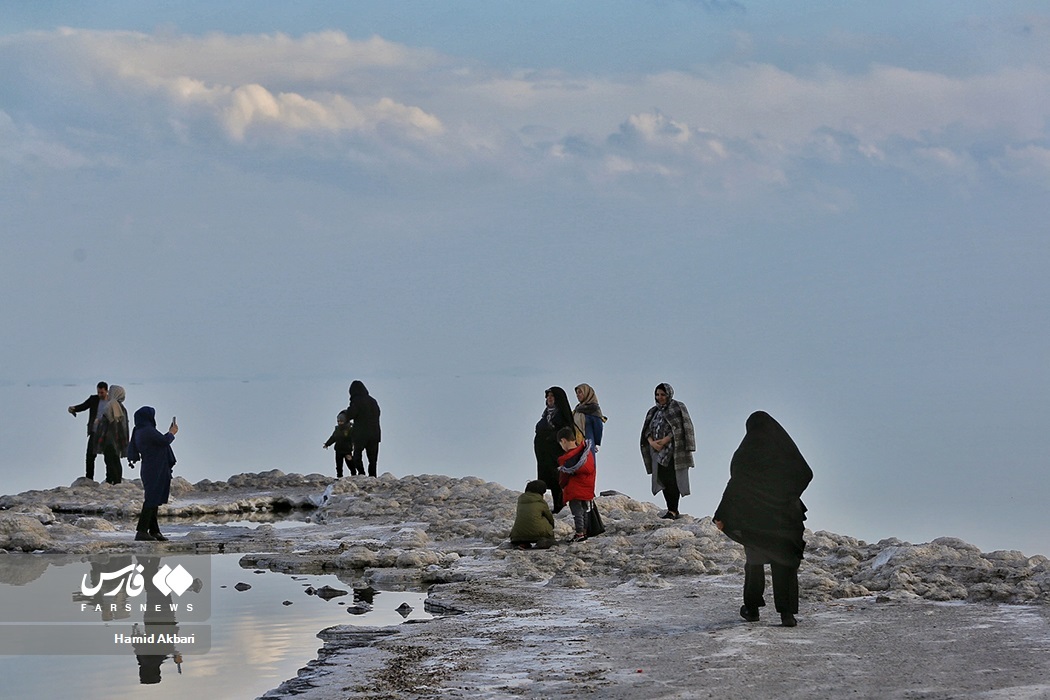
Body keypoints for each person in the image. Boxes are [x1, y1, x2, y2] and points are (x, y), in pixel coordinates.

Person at [713, 411, 813, 628]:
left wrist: (721, 515)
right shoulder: (786, 453)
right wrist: (787, 495)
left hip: (756, 520)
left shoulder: (745, 453)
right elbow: (806, 473)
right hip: (786, 519)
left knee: (754, 563)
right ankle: (787, 614)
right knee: (784, 564)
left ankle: (752, 609)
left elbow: (735, 486)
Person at [640, 383, 697, 520]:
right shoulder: (653, 411)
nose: (660, 398)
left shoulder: (677, 407)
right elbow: (647, 430)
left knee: (672, 479)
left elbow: (681, 427)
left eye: (663, 395)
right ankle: (670, 508)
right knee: (663, 479)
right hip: (656, 451)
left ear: (669, 395)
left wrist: (665, 440)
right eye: (657, 395)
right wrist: (652, 442)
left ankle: (673, 510)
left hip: (673, 450)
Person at [127, 407, 178, 542]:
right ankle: (141, 531)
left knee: (154, 499)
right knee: (151, 500)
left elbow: (159, 441)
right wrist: (172, 432)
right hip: (154, 469)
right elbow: (164, 441)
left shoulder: (139, 431)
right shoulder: (147, 431)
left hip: (151, 468)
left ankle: (154, 531)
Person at [533, 387, 574, 513]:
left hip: (555, 453)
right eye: (548, 396)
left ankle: (559, 505)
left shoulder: (562, 414)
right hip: (543, 453)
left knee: (557, 478)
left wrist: (552, 436)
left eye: (552, 396)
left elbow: (566, 430)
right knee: (546, 479)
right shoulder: (546, 413)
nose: (549, 398)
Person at [556, 426, 596, 543]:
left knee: (577, 512)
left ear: (563, 441)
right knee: (584, 510)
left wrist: (562, 485)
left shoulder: (567, 459)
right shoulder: (586, 452)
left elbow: (564, 477)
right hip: (587, 486)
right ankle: (584, 532)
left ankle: (579, 533)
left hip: (574, 488)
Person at [68, 381, 109, 480]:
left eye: (102, 393)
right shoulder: (93, 399)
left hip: (107, 433)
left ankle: (110, 478)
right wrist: (74, 408)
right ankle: (89, 478)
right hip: (94, 431)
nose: (100, 394)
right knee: (90, 456)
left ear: (106, 391)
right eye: (98, 392)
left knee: (108, 456)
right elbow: (84, 406)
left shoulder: (111, 401)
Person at [345, 380, 381, 477]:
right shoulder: (373, 401)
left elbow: (350, 414)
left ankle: (361, 474)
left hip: (360, 434)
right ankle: (373, 477)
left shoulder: (356, 401)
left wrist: (345, 413)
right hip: (374, 434)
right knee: (373, 459)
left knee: (357, 456)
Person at [95, 385, 129, 484]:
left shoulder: (111, 405)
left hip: (109, 437)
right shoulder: (121, 407)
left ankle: (112, 479)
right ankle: (116, 479)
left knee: (110, 460)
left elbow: (107, 420)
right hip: (118, 438)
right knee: (115, 459)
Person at [509, 479, 556, 550]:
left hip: (517, 535)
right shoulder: (541, 502)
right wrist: (551, 528)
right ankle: (543, 542)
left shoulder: (521, 500)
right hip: (538, 533)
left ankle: (523, 544)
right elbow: (549, 517)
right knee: (543, 520)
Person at [572, 384, 606, 454]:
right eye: (577, 393)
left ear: (587, 393)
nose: (578, 395)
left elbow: (598, 427)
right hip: (575, 445)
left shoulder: (593, 409)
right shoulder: (577, 410)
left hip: (588, 443)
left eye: (580, 392)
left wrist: (594, 443)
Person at [323, 410, 355, 478]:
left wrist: (354, 446)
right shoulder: (337, 429)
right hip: (338, 450)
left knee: (350, 464)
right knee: (339, 465)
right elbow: (333, 438)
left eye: (341, 421)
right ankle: (339, 477)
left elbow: (353, 439)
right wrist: (327, 444)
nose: (340, 423)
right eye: (338, 421)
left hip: (347, 450)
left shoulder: (350, 429)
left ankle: (354, 475)